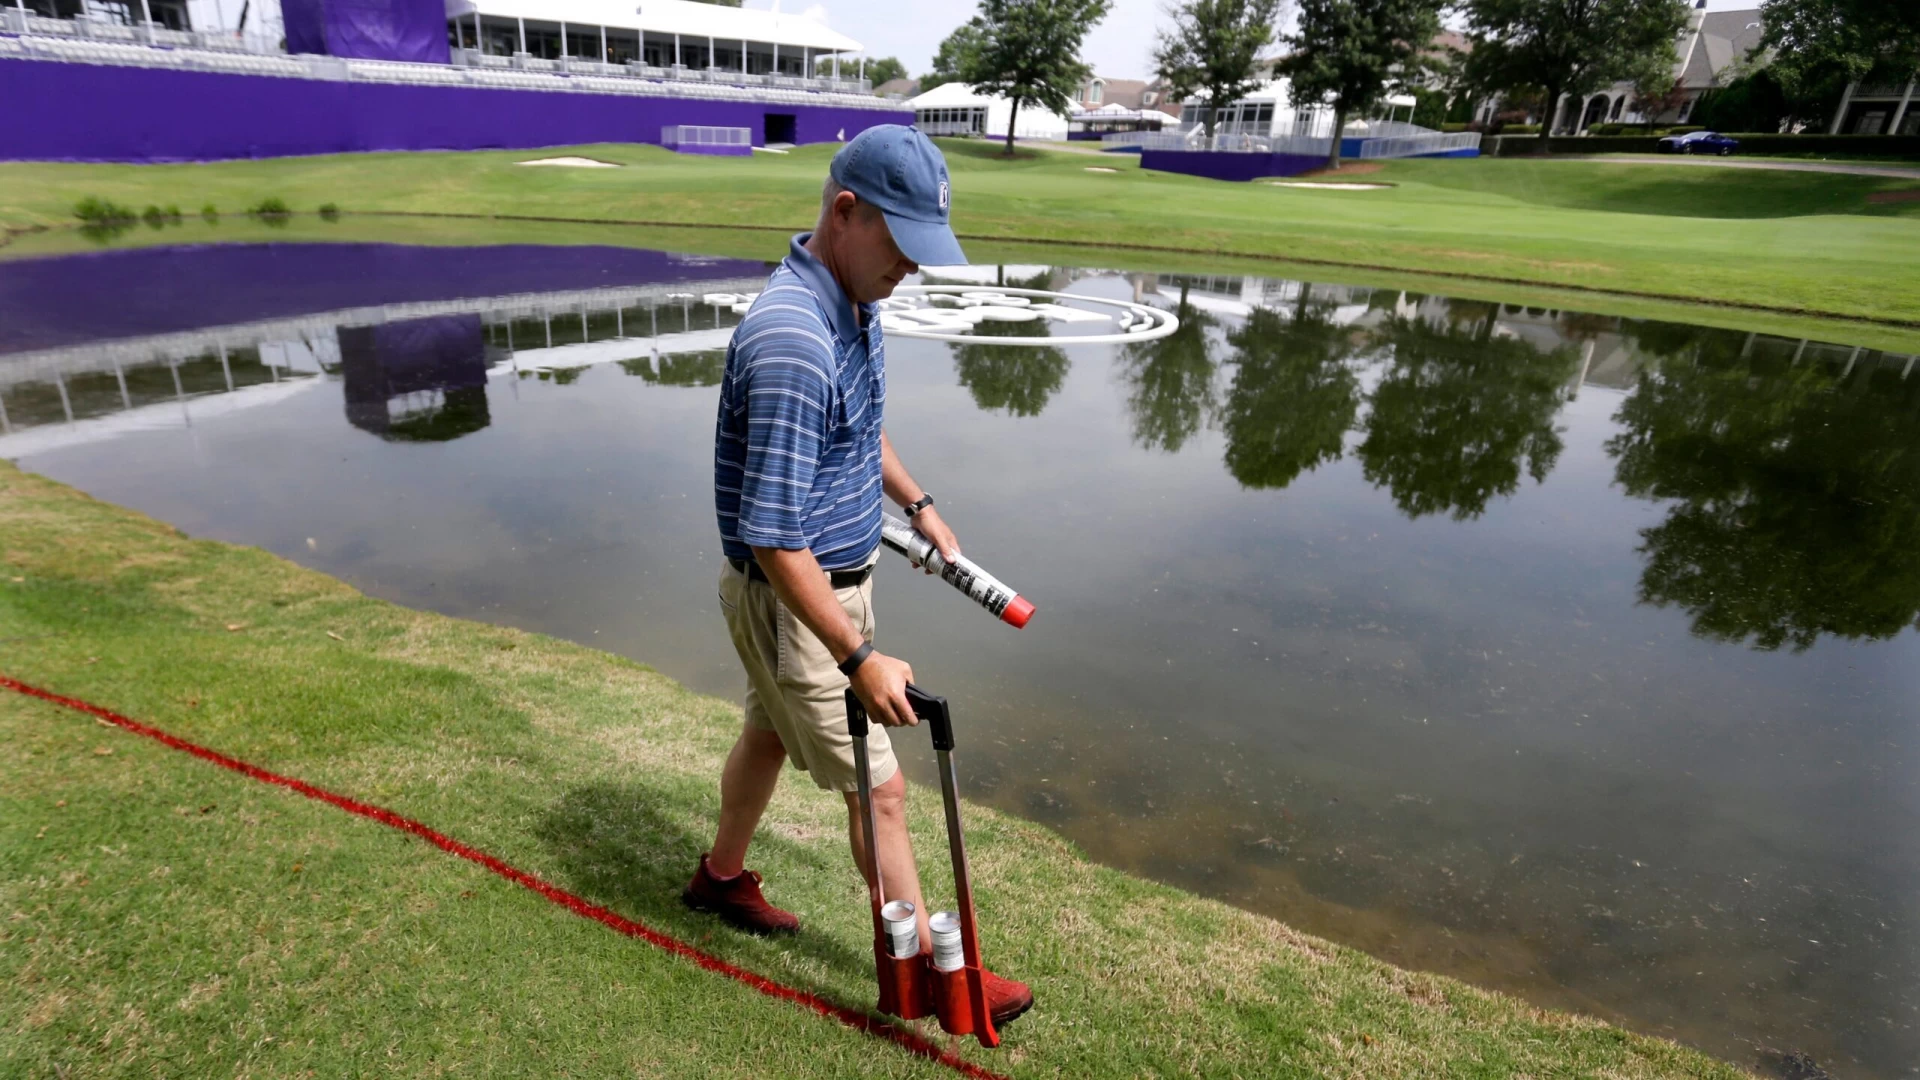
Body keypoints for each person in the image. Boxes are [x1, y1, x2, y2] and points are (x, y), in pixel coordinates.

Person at [685, 126, 1034, 1027]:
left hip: (832, 586)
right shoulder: (795, 340)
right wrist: (857, 657)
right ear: (846, 213)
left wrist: (919, 505)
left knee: (767, 734)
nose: (911, 269)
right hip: (797, 600)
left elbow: (859, 427)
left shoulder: (853, 302)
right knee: (879, 788)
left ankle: (720, 879)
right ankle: (930, 977)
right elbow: (771, 538)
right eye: (903, 246)